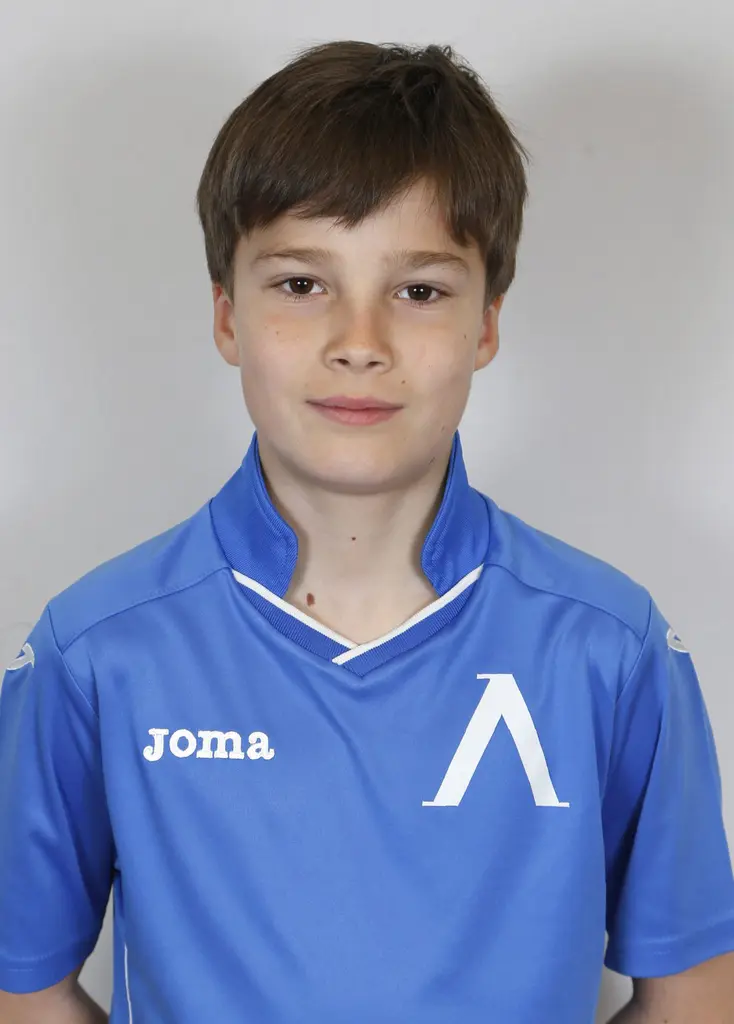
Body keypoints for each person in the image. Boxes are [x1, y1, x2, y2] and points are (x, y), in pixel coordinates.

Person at [0, 38, 732, 1024]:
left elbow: (694, 994)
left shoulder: (609, 645)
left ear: (485, 323)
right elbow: (23, 986)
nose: (359, 343)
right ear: (227, 316)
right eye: (302, 284)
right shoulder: (96, 649)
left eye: (418, 290)